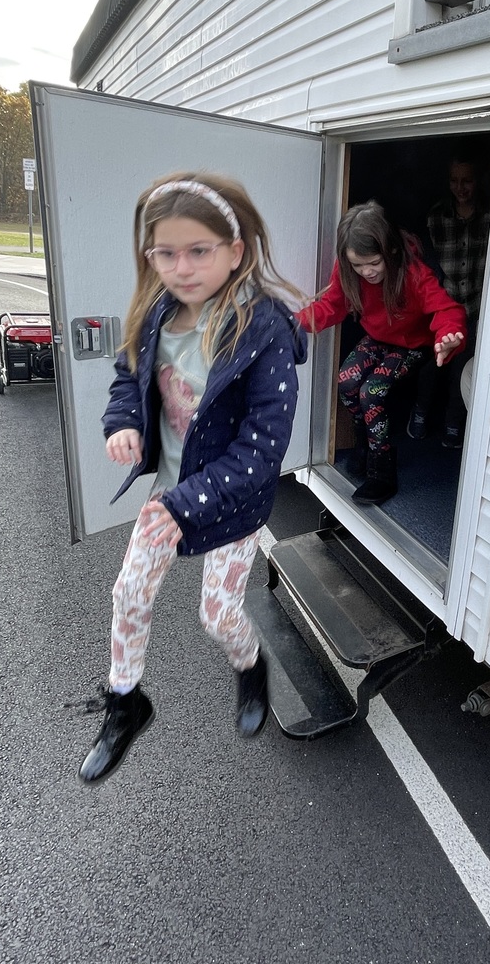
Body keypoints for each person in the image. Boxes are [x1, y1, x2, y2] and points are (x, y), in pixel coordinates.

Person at [78, 171, 307, 785]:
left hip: (230, 504)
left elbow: (262, 451)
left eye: (198, 250)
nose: (181, 267)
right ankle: (128, 704)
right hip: (169, 498)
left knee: (217, 614)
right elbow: (129, 375)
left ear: (235, 252)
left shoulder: (264, 335)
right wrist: (122, 422)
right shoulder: (156, 314)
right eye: (166, 253)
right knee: (128, 594)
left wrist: (189, 502)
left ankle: (251, 666)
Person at [296, 200, 466, 505]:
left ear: (390, 251)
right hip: (378, 337)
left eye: (372, 262)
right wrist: (292, 323)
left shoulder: (413, 273)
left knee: (371, 394)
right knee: (347, 383)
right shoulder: (349, 268)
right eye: (358, 265)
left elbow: (446, 309)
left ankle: (383, 469)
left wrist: (448, 335)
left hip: (413, 344)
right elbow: (332, 306)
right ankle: (366, 443)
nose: (366, 271)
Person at [408, 154, 490, 448]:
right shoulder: (436, 217)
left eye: (467, 180)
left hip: (478, 306)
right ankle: (419, 412)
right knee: (432, 364)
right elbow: (427, 267)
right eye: (454, 181)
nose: (460, 187)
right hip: (444, 305)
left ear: (477, 180)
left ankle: (454, 423)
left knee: (463, 369)